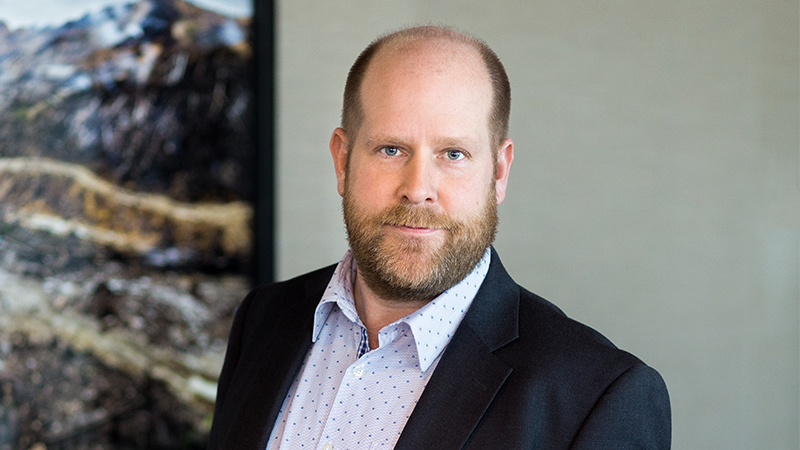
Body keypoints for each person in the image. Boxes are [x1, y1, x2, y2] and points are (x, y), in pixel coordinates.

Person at [207, 25, 671, 450]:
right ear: (342, 160)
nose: (418, 188)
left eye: (453, 153)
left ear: (499, 171)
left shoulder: (598, 396)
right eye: (391, 150)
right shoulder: (262, 321)